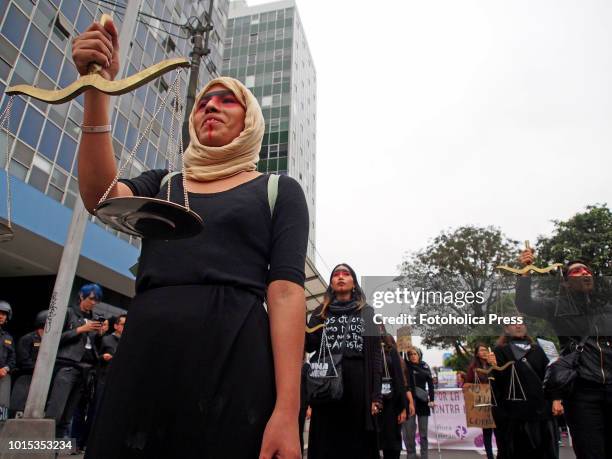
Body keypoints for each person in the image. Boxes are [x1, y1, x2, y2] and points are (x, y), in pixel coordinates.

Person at [72, 18, 308, 459]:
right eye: (203, 102)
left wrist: (287, 411)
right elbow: (100, 196)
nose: (211, 106)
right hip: (146, 352)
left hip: (235, 358)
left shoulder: (277, 190)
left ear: (250, 119)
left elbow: (285, 295)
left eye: (227, 100)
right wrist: (95, 89)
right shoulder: (165, 183)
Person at [516, 249, 612, 459]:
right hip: (582, 391)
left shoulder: (606, 306)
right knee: (591, 451)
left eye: (587, 270)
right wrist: (525, 273)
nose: (584, 273)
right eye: (577, 271)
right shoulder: (557, 306)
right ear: (566, 282)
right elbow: (525, 304)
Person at [305, 263, 382, 458]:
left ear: (354, 283)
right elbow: (308, 345)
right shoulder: (320, 313)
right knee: (326, 441)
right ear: (331, 284)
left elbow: (374, 355)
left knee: (357, 443)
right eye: (336, 275)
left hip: (358, 384)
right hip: (327, 384)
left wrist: (375, 395)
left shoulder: (367, 312)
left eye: (345, 274)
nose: (340, 277)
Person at [490, 322, 557, 459]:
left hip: (540, 413)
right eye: (513, 324)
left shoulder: (538, 349)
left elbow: (550, 377)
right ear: (506, 328)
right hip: (514, 417)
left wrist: (556, 399)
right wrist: (492, 366)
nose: (518, 326)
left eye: (521, 323)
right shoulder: (500, 351)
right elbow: (497, 385)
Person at [46, 284, 103, 438]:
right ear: (81, 296)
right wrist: (80, 330)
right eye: (91, 299)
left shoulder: (94, 320)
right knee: (55, 413)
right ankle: (41, 450)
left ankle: (54, 452)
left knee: (67, 416)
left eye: (97, 300)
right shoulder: (68, 313)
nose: (94, 303)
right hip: (67, 367)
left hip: (85, 370)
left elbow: (93, 347)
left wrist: (99, 334)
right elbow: (54, 338)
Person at [10, 310, 46, 416]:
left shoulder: (51, 342)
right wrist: (38, 369)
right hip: (25, 377)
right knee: (18, 409)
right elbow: (22, 360)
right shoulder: (27, 339)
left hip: (42, 381)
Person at [378, 334, 408, 459]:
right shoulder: (368, 350)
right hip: (375, 405)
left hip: (391, 405)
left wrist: (403, 407)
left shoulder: (393, 355)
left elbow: (401, 383)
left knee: (391, 445)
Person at [465, 343, 497, 459]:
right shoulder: (473, 368)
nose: (484, 352)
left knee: (499, 430)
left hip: (496, 400)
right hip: (483, 400)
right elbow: (467, 384)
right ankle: (489, 456)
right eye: (481, 350)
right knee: (487, 431)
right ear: (477, 353)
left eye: (485, 350)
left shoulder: (493, 364)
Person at [403, 346, 434, 459]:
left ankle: (424, 455)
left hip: (423, 402)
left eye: (415, 354)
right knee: (409, 431)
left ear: (419, 355)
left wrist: (432, 400)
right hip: (409, 401)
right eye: (410, 354)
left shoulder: (425, 366)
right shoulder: (406, 366)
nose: (413, 356)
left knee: (423, 433)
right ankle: (411, 454)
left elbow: (430, 384)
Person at [0, 301, 15, 421]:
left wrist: (5, 369)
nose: (1, 316)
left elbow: (12, 359)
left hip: (3, 376)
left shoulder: (8, 337)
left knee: (2, 409)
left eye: (4, 314)